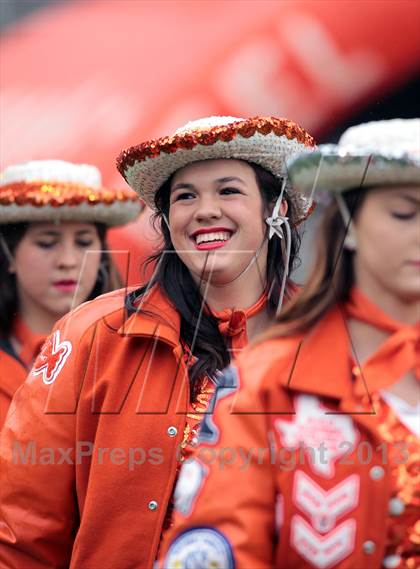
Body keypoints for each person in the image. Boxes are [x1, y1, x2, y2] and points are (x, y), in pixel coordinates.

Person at [0, 116, 315, 568]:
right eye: (185, 196)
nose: (205, 210)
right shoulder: (90, 334)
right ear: (167, 220)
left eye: (228, 190)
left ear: (276, 208)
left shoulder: (332, 337)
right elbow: (21, 534)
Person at [159, 118, 420, 569]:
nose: (206, 211)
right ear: (349, 224)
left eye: (227, 191)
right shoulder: (268, 382)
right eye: (405, 212)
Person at [0, 159, 142, 426]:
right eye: (46, 243)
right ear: (9, 255)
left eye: (83, 242)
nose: (68, 260)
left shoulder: (139, 352)